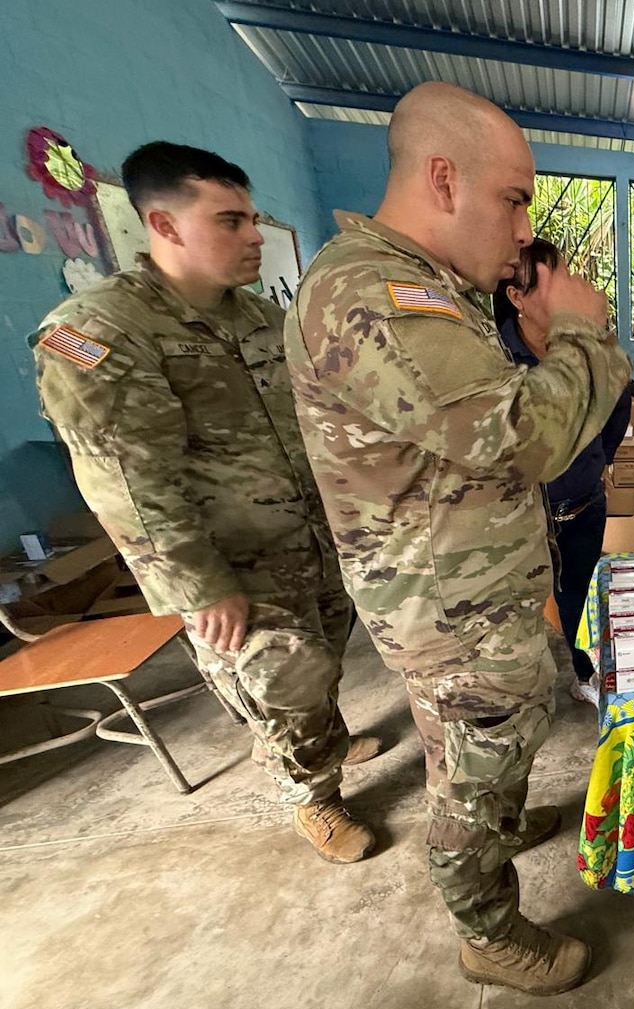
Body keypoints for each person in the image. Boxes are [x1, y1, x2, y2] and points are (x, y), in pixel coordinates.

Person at [284, 83, 632, 995]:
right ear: (444, 178)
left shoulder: (427, 290)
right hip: (451, 617)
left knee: (495, 748)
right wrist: (586, 335)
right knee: (470, 775)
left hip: (470, 597)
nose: (524, 229)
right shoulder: (378, 294)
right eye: (513, 199)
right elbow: (526, 435)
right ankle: (489, 930)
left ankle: (502, 822)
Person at [31, 142, 378, 865]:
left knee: (319, 660)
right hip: (227, 560)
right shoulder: (101, 332)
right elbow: (126, 481)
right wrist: (199, 586)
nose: (254, 236)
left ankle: (318, 740)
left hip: (306, 538)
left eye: (252, 219)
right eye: (230, 221)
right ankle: (312, 795)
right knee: (283, 677)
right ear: (163, 224)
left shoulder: (257, 318)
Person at [493, 238, 630, 710]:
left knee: (581, 596)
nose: (571, 290)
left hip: (583, 505)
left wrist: (596, 460)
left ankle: (583, 673)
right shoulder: (493, 358)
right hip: (522, 520)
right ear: (516, 296)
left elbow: (616, 403)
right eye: (556, 282)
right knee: (518, 610)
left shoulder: (581, 349)